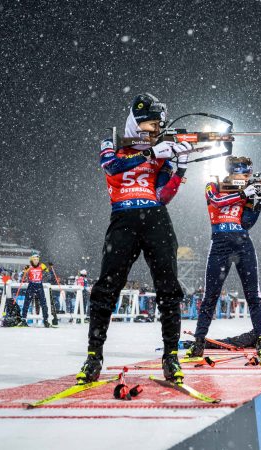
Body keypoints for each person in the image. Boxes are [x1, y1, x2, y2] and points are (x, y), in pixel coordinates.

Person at [76, 93, 192, 384]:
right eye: (152, 126)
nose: (155, 132)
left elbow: (163, 195)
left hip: (155, 218)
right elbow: (111, 167)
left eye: (158, 127)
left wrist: (181, 166)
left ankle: (171, 355)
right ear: (137, 123)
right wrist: (150, 154)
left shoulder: (160, 150)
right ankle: (93, 355)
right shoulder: (112, 142)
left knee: (169, 287)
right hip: (123, 218)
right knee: (107, 287)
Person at [186, 156, 261, 366]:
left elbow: (246, 223)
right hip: (220, 244)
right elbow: (216, 202)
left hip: (243, 243)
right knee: (210, 296)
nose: (247, 177)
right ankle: (198, 341)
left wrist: (257, 204)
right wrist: (243, 193)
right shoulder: (213, 185)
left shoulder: (248, 189)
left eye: (248, 174)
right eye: (244, 174)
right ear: (233, 171)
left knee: (253, 295)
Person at [20, 253, 53, 328]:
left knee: (43, 303)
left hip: (39, 285)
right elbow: (22, 276)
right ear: (32, 260)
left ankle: (46, 320)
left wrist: (50, 268)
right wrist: (24, 273)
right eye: (34, 259)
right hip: (31, 285)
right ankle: (23, 319)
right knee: (27, 302)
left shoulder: (42, 265)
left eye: (37, 259)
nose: (36, 261)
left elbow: (49, 275)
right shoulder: (28, 267)